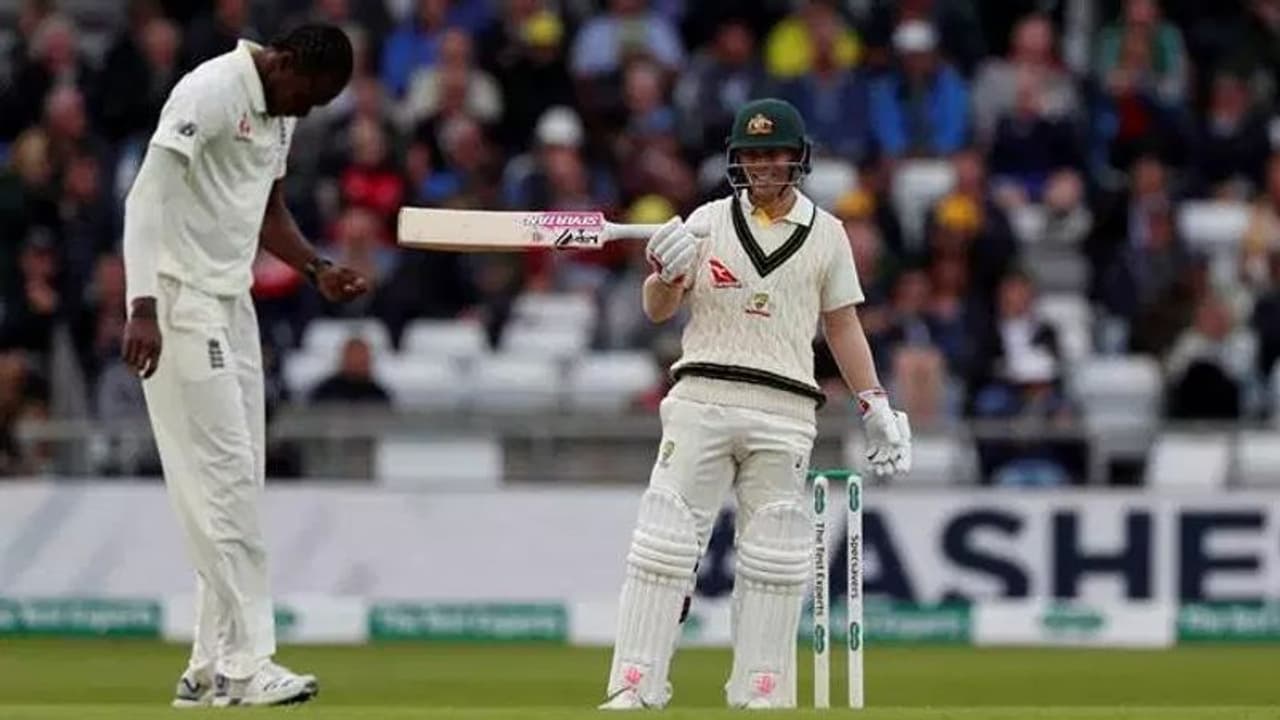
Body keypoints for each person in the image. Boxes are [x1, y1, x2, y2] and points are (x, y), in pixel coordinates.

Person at [599, 98, 911, 710]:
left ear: (798, 158)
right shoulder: (705, 221)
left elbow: (842, 325)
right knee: (664, 541)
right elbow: (657, 310)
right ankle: (635, 684)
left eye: (775, 154)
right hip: (702, 399)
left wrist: (874, 401)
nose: (764, 165)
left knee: (774, 553)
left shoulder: (828, 234)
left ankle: (761, 690)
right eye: (753, 155)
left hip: (785, 409)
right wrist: (663, 274)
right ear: (736, 160)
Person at [119, 25, 367, 708]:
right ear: (283, 63)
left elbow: (268, 211)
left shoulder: (279, 108)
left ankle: (206, 669)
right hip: (178, 301)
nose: (306, 112)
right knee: (225, 485)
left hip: (232, 302)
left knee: (238, 488)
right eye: (308, 96)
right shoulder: (208, 91)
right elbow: (144, 200)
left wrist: (316, 268)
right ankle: (248, 664)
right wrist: (142, 305)